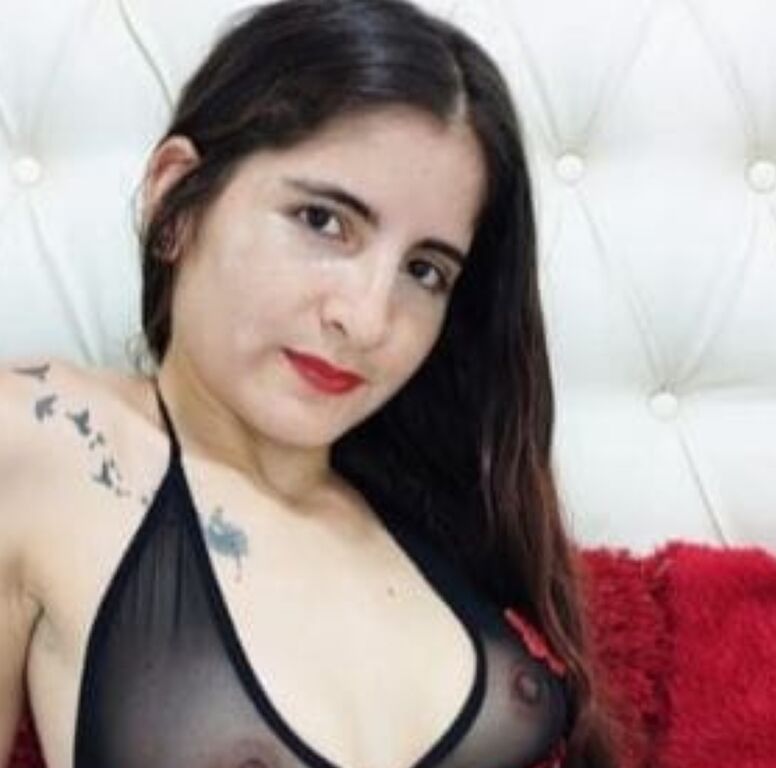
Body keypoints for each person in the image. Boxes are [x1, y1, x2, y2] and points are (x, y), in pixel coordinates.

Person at [0, 1, 618, 767]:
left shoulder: (453, 521)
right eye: (323, 221)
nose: (368, 319)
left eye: (424, 271)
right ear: (174, 198)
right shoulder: (45, 437)